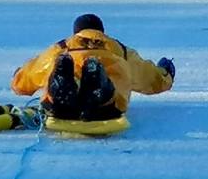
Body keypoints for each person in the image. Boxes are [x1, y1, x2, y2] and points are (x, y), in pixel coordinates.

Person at [11, 14, 175, 121]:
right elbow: (149, 78)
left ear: (76, 33)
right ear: (102, 31)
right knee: (113, 79)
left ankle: (62, 89)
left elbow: (32, 73)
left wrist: (18, 78)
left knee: (57, 67)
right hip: (109, 110)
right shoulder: (120, 50)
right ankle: (100, 89)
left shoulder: (60, 48)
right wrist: (166, 73)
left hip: (59, 109)